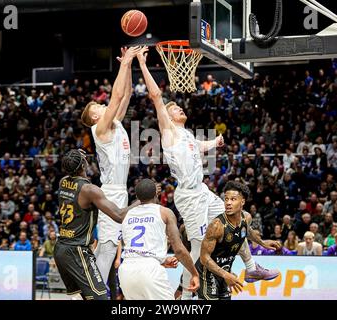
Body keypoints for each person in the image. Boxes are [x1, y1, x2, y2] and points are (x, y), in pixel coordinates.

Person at [137, 47, 277, 299]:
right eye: (175, 108)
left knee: (235, 221)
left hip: (202, 192)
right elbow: (156, 95)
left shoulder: (187, 135)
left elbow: (200, 146)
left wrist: (215, 143)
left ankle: (252, 268)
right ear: (167, 117)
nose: (179, 109)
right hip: (189, 197)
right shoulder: (168, 132)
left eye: (180, 107)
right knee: (199, 246)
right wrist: (142, 63)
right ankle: (183, 290)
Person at [80, 47, 139, 286]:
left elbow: (126, 95)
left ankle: (91, 288)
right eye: (99, 108)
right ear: (95, 118)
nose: (104, 107)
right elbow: (115, 99)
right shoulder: (99, 129)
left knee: (110, 245)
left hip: (120, 191)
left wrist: (130, 66)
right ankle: (92, 290)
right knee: (106, 247)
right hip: (111, 191)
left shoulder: (113, 122)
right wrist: (124, 64)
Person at [53, 149, 138, 300]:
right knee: (100, 297)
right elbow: (119, 215)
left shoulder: (63, 182)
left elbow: (72, 167)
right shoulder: (89, 190)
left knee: (84, 297)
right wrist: (141, 201)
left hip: (61, 247)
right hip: (77, 250)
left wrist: (75, 157)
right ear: (83, 165)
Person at [196, 181, 281, 300]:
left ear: (242, 202)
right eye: (226, 199)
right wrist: (226, 275)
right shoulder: (216, 226)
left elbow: (247, 231)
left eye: (233, 199)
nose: (228, 203)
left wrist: (262, 242)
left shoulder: (246, 218)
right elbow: (204, 258)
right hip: (208, 272)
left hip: (225, 271)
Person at [119, 179, 199, 300]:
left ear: (137, 196)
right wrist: (194, 273)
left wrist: (161, 261)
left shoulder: (126, 215)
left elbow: (137, 251)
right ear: (156, 194)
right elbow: (178, 250)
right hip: (150, 271)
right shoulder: (165, 212)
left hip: (126, 270)